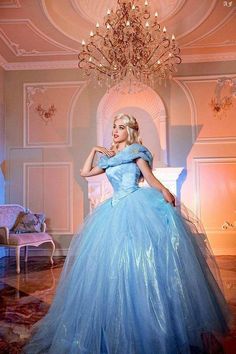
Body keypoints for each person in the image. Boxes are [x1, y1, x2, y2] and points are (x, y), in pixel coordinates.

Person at [22, 113, 233, 354]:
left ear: (129, 131)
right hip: (113, 210)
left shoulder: (136, 152)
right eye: (113, 127)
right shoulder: (109, 158)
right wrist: (93, 149)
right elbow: (84, 172)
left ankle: (149, 323)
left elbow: (151, 178)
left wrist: (165, 191)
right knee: (109, 269)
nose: (115, 131)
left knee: (140, 264)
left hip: (136, 205)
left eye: (120, 127)